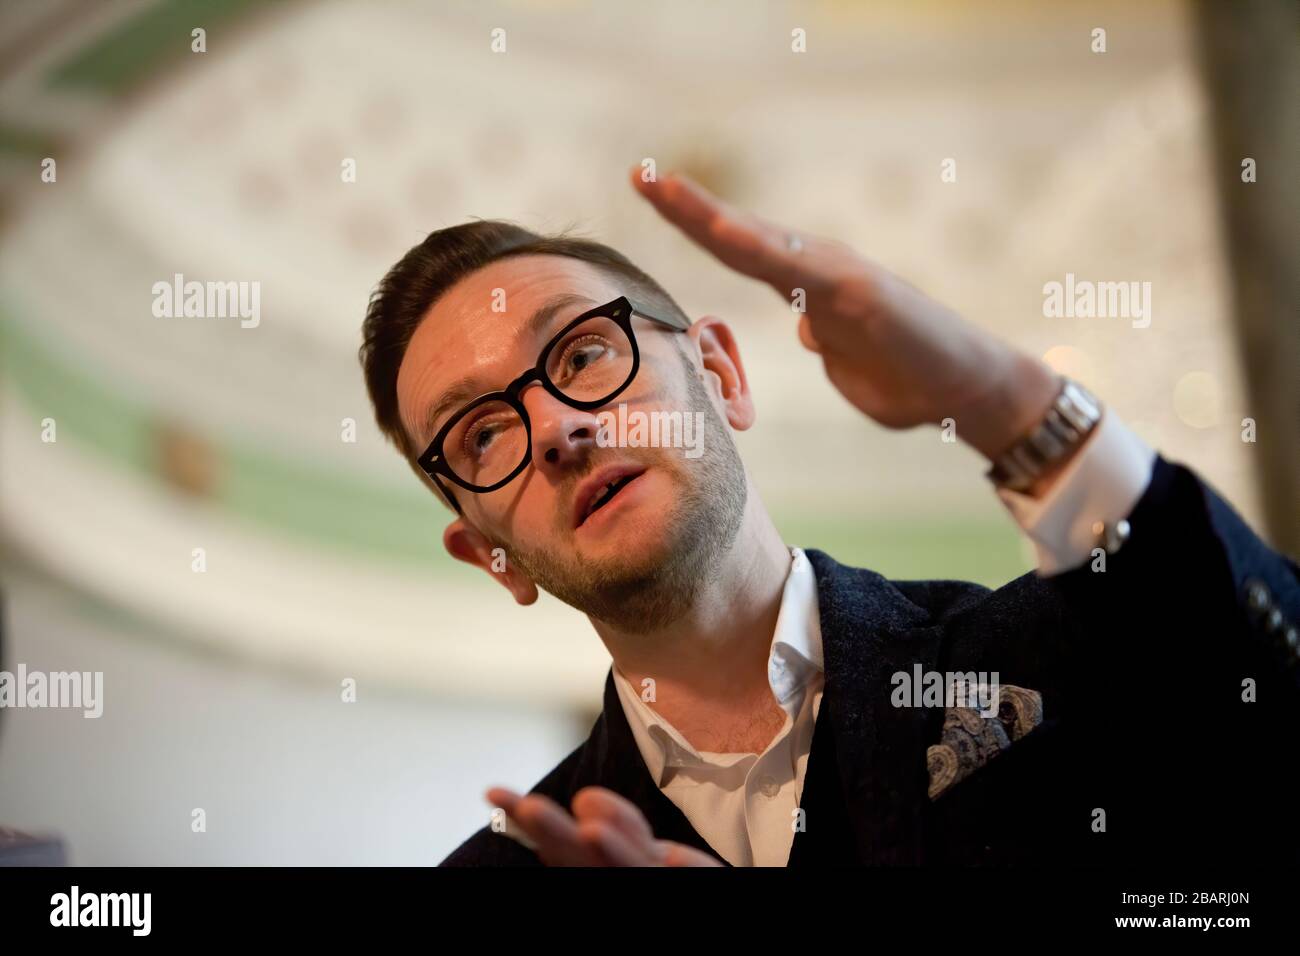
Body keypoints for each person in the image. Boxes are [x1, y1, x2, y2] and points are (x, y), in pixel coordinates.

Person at [358, 169, 1299, 866]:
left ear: (719, 374)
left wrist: (1000, 399)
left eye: (583, 353)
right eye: (481, 436)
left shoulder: (1064, 652)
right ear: (491, 555)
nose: (557, 428)